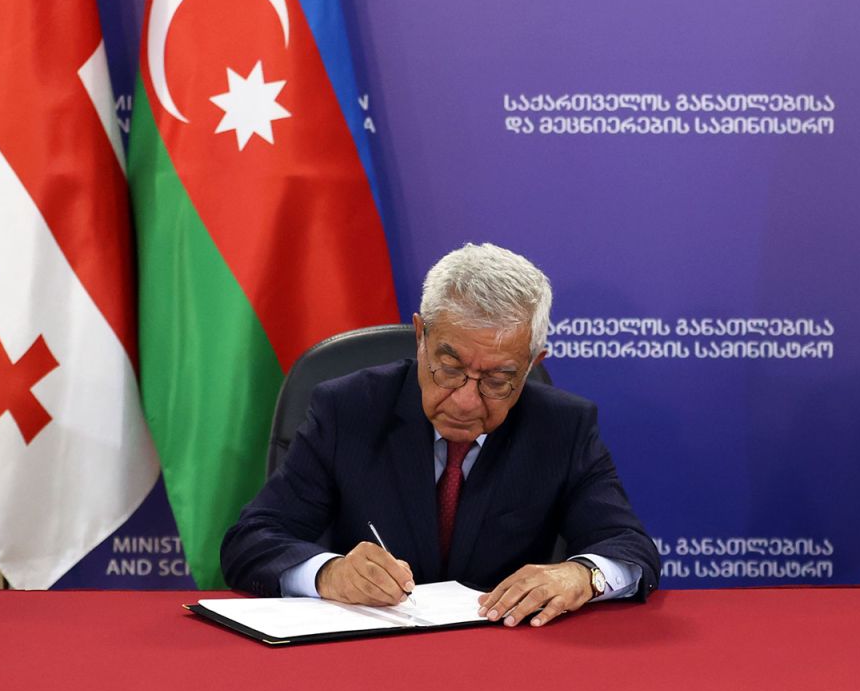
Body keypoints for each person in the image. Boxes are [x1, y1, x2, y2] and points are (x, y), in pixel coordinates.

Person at [222, 243, 660, 627]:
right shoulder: (348, 409)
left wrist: (583, 575)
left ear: (531, 365)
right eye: (450, 369)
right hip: (369, 651)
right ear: (420, 337)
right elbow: (251, 540)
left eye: (497, 380)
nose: (466, 401)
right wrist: (327, 573)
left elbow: (631, 548)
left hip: (505, 654)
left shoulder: (562, 427)